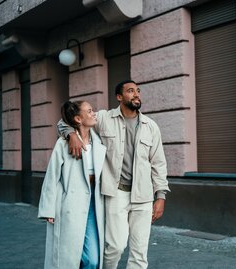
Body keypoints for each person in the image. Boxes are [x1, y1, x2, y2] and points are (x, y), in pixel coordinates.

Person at [57, 80, 170, 269]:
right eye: (131, 91)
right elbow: (65, 120)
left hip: (143, 195)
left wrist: (161, 196)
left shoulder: (151, 126)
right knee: (114, 247)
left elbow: (158, 163)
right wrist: (72, 135)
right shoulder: (104, 118)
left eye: (138, 91)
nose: (136, 94)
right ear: (119, 97)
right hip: (116, 193)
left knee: (139, 253)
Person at [38, 100, 106, 269]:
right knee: (67, 257)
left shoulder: (98, 141)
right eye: (89, 111)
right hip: (68, 203)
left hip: (93, 203)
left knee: (93, 260)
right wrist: (48, 209)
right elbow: (52, 176)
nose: (93, 114)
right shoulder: (63, 143)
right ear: (78, 118)